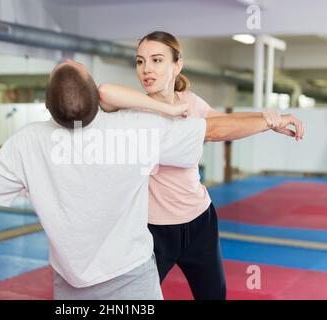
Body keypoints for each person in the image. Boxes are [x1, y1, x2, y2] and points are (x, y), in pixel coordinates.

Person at [0, 59, 303, 300]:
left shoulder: (29, 142)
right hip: (133, 280)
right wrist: (270, 119)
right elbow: (213, 130)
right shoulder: (134, 131)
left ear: (46, 106)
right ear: (98, 98)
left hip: (72, 286)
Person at [98, 31, 304, 300]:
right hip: (152, 230)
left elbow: (222, 125)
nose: (146, 69)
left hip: (199, 222)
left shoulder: (192, 103)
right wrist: (166, 109)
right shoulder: (132, 110)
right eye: (140, 61)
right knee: (133, 300)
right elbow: (103, 93)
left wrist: (268, 122)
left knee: (214, 296)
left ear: (177, 66)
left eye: (157, 60)